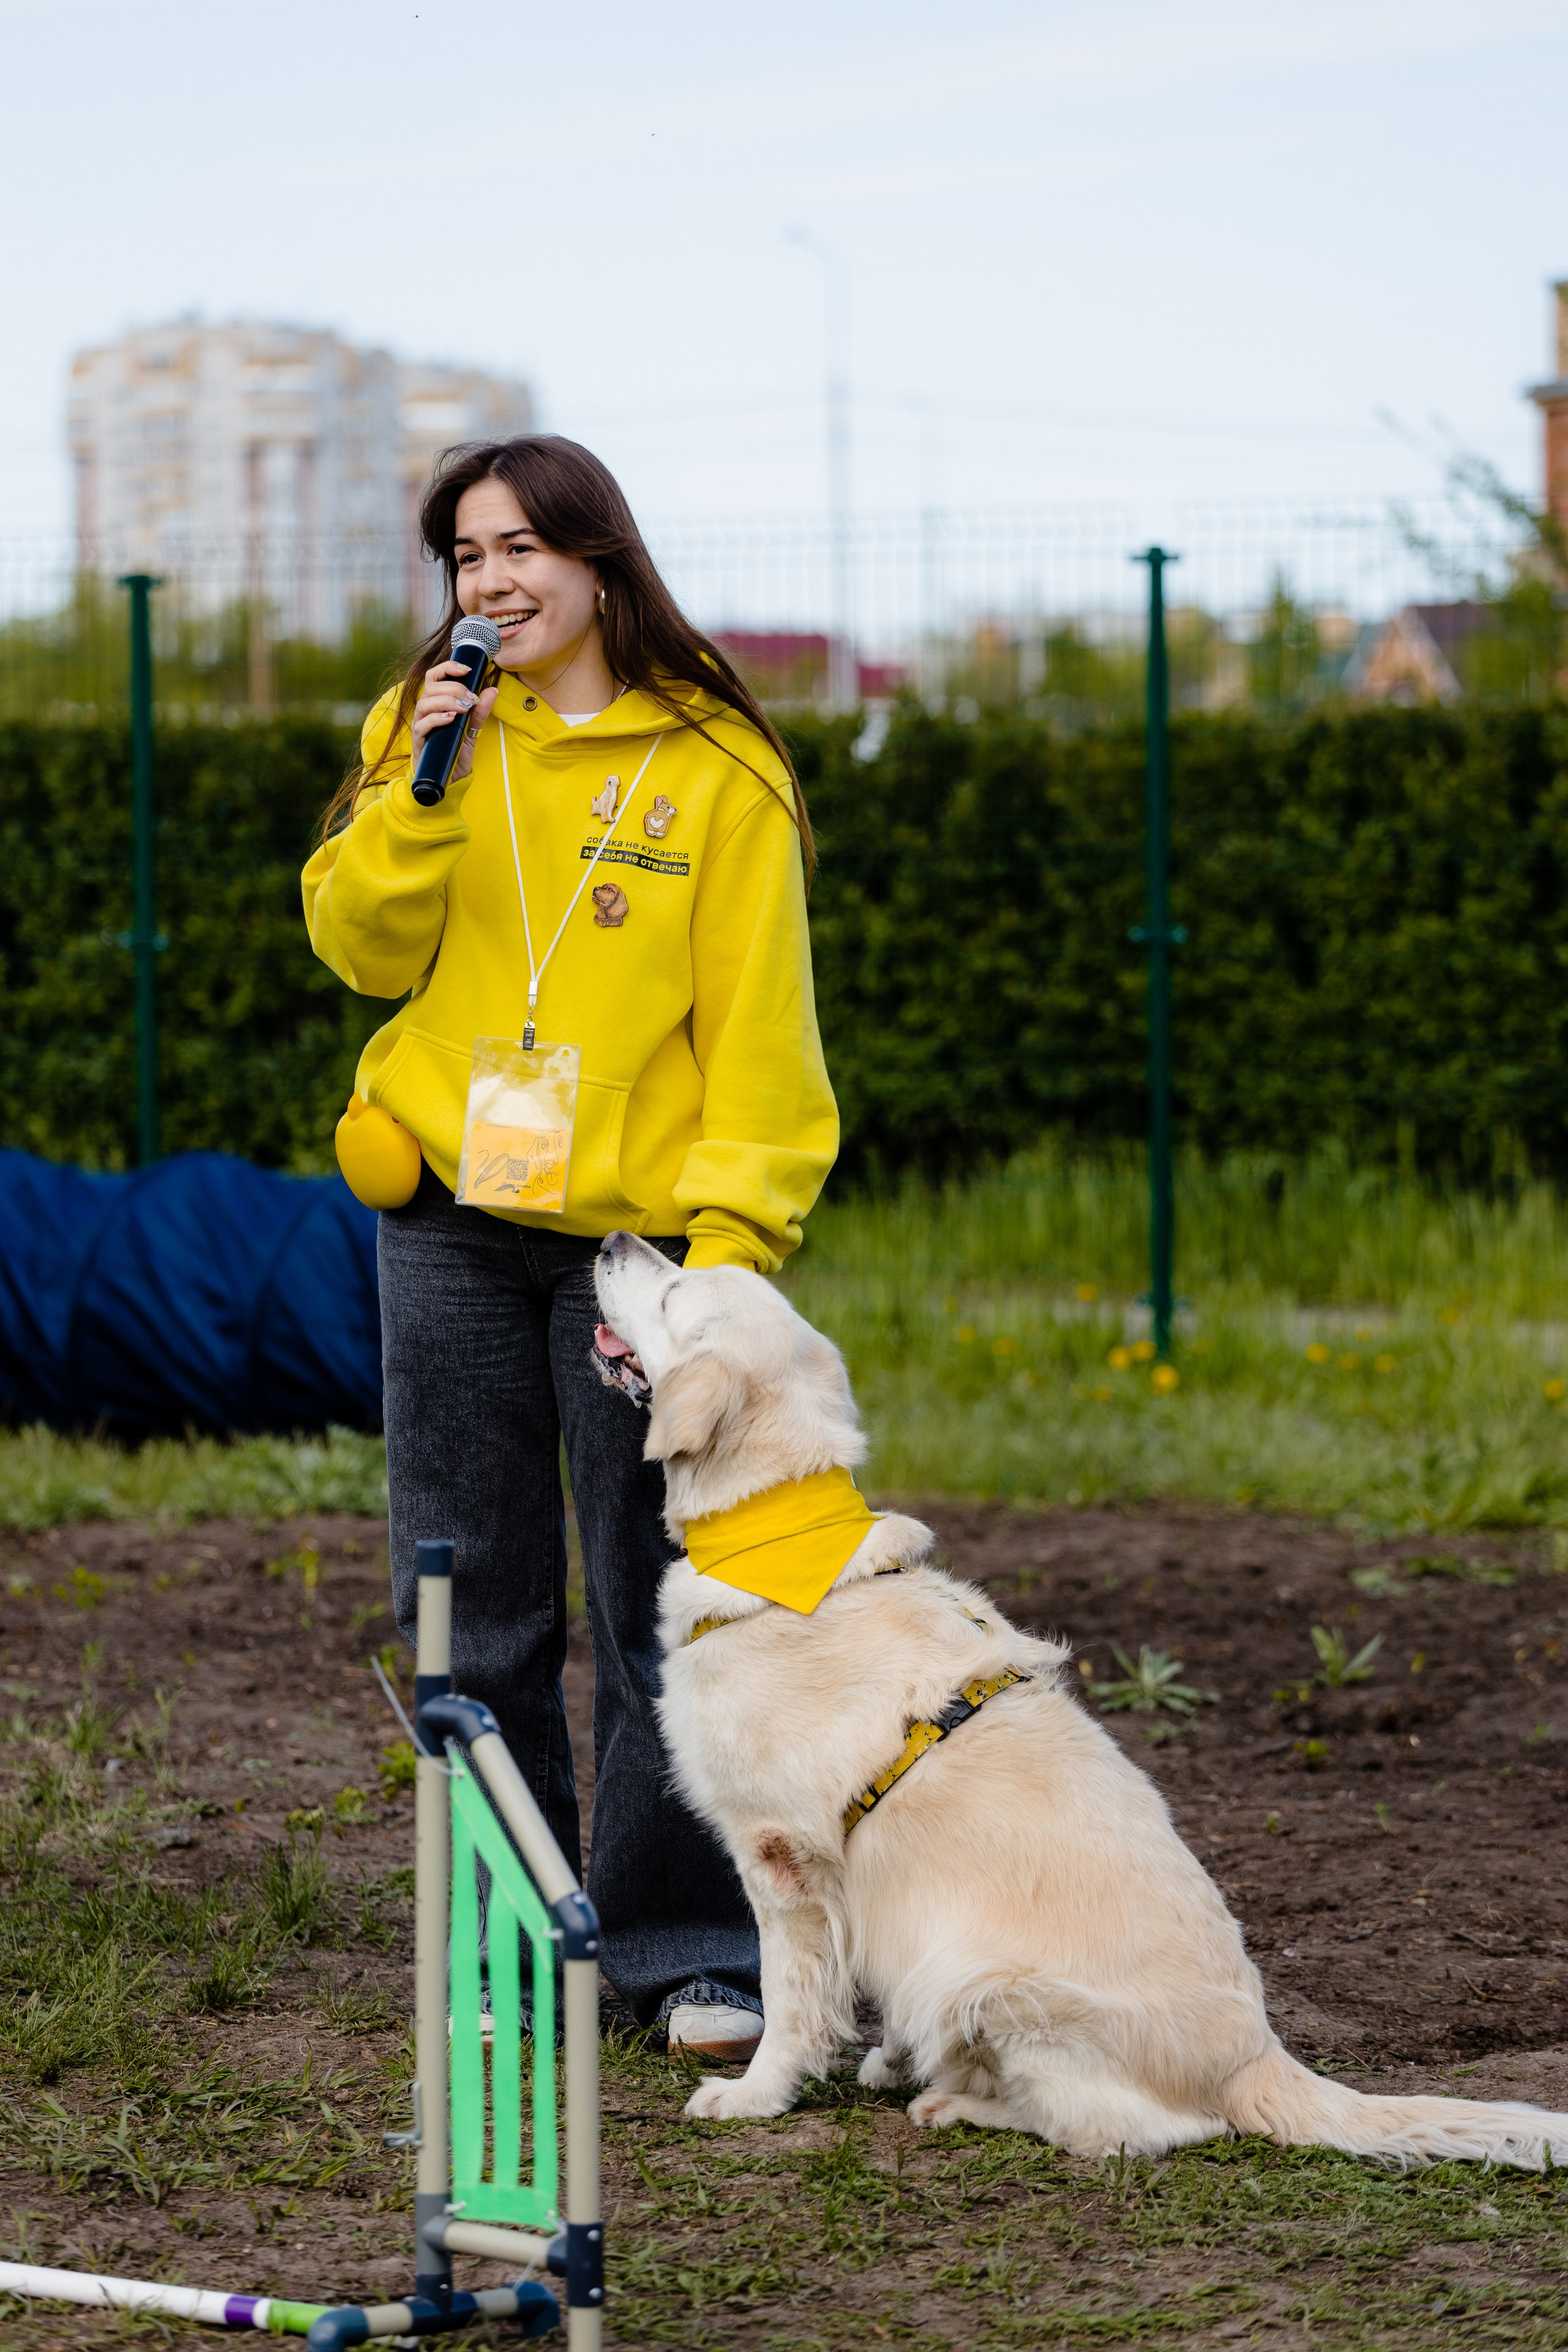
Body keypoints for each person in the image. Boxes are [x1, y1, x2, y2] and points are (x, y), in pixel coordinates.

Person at [301, 435, 839, 2055]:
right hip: (449, 1225)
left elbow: (762, 1036)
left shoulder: (720, 767)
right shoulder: (424, 733)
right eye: (466, 557)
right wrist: (421, 793)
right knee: (470, 1601)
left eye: (525, 547)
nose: (493, 582)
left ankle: (686, 1948)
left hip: (638, 1249)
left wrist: (731, 1252)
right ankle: (508, 1945)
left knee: (656, 1592)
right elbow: (353, 943)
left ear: (603, 562)